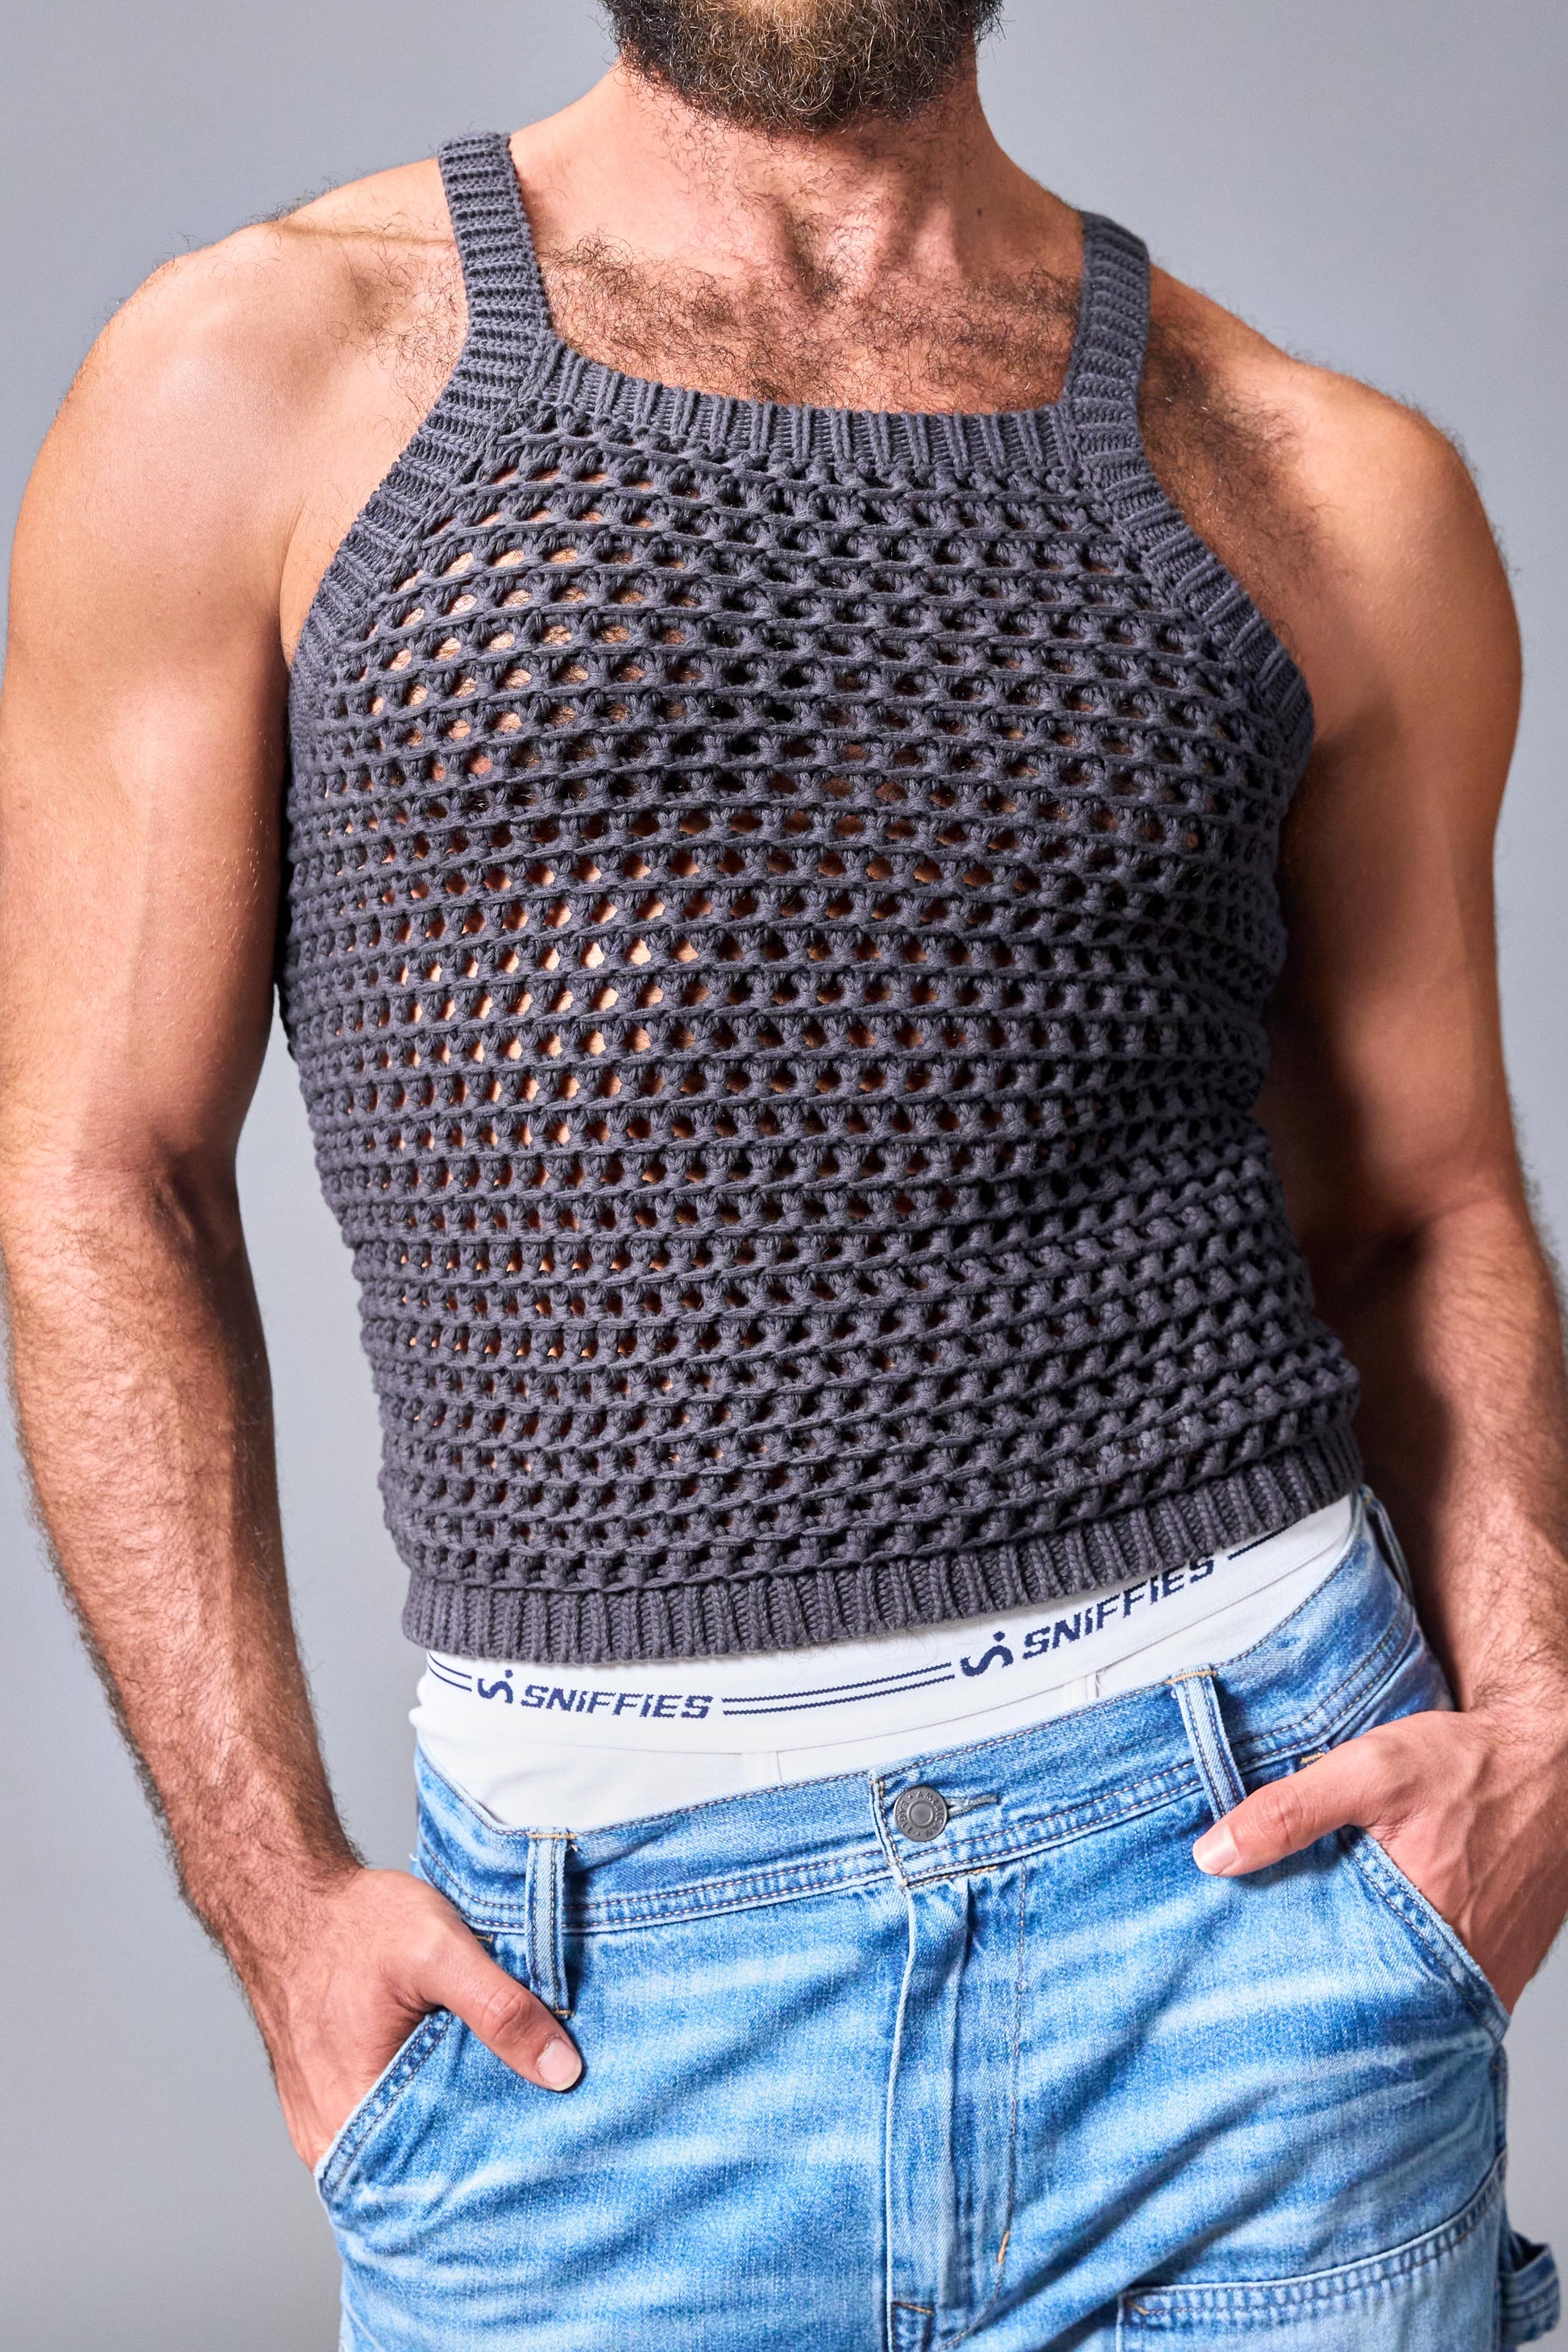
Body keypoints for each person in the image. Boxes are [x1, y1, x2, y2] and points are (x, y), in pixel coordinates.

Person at [2, 2, 1565, 2343]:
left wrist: (1536, 1721)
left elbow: (1428, 1205)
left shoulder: (1307, 477)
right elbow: (98, 1172)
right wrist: (270, 1895)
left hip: (1246, 1911)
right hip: (593, 1987)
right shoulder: (270, 370)